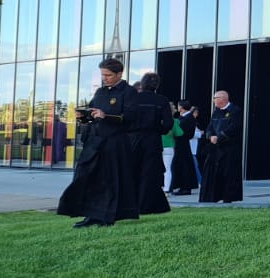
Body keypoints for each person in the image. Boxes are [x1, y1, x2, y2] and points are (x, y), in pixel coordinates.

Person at [58, 58, 134, 227]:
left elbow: (130, 117)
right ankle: (89, 215)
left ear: (119, 74)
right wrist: (84, 117)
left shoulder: (128, 92)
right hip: (95, 142)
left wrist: (106, 116)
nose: (105, 78)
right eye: (103, 75)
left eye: (108, 75)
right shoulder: (100, 92)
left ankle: (106, 216)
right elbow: (92, 114)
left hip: (114, 143)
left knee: (109, 180)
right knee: (87, 176)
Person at [129, 72, 175, 216]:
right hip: (152, 139)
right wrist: (158, 130)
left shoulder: (133, 98)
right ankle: (147, 204)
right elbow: (168, 123)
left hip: (133, 138)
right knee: (150, 172)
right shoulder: (162, 100)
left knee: (132, 170)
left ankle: (132, 203)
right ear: (157, 86)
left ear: (142, 84)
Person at [199, 90, 243, 203]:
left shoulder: (235, 111)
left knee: (228, 173)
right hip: (215, 148)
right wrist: (210, 136)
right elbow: (210, 127)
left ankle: (228, 197)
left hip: (229, 148)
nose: (214, 100)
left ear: (223, 98)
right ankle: (213, 197)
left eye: (215, 98)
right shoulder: (216, 112)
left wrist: (219, 137)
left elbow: (234, 127)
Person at [168, 100, 200, 196]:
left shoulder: (188, 118)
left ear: (181, 107)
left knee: (184, 166)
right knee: (180, 166)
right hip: (181, 144)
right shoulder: (184, 118)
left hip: (183, 144)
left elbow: (181, 131)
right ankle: (180, 186)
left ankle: (185, 187)